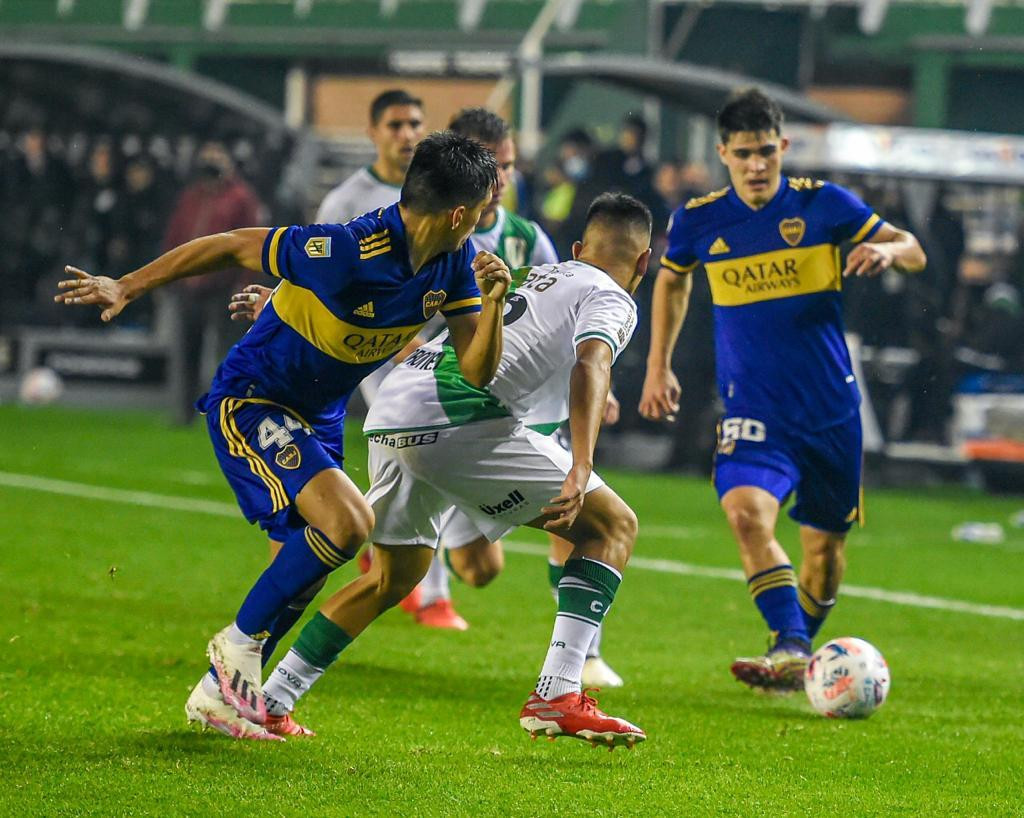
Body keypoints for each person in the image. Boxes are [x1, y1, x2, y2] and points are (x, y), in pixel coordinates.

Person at [56, 131, 511, 740]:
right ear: (460, 211)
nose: (488, 214)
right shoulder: (351, 248)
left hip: (318, 415)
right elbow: (234, 245)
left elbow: (476, 370)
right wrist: (128, 285)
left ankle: (222, 698)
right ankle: (236, 643)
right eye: (484, 204)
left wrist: (495, 302)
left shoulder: (457, 260)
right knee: (349, 525)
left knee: (311, 565)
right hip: (254, 399)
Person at [231, 108, 626, 684]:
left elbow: (558, 316)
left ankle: (268, 689)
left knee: (472, 567)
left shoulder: (523, 238)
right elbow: (335, 269)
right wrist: (293, 308)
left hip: (446, 402)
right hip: (442, 398)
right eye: (495, 171)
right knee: (606, 522)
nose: (503, 184)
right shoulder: (398, 218)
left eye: (510, 169)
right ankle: (566, 680)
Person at [260, 192, 652, 748]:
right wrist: (582, 461)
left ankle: (270, 700)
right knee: (612, 526)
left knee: (390, 578)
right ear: (644, 262)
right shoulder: (612, 295)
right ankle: (559, 692)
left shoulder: (535, 274)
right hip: (461, 420)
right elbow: (593, 360)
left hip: (393, 410)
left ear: (576, 248)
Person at [639, 88, 926, 692]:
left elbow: (915, 250)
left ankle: (797, 647)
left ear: (783, 147)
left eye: (766, 151)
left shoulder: (824, 206)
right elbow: (671, 282)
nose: (756, 165)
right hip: (753, 406)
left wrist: (887, 250)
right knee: (746, 514)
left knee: (823, 554)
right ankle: (792, 647)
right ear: (723, 153)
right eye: (743, 154)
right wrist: (657, 364)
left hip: (829, 409)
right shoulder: (699, 219)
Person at [160, 141, 268, 424]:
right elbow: (175, 235)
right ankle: (185, 413)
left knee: (227, 353)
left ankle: (227, 412)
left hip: (224, 287)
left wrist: (244, 283)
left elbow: (252, 241)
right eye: (207, 155)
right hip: (189, 286)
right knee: (188, 352)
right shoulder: (192, 196)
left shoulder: (241, 197)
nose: (210, 161)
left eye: (216, 155)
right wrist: (168, 273)